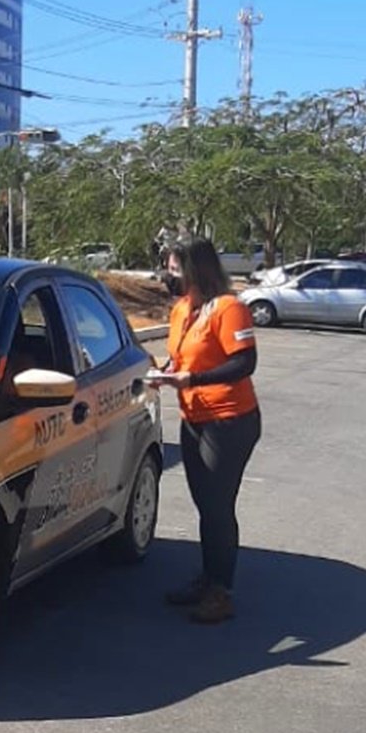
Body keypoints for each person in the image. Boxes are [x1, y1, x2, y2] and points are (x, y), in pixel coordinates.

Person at [150, 237, 262, 624]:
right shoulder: (183, 308)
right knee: (205, 505)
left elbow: (244, 363)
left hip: (230, 421)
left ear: (197, 269)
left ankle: (222, 592)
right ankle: (209, 578)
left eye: (175, 268)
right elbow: (181, 356)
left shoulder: (229, 309)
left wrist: (191, 379)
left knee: (217, 506)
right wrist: (165, 374)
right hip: (194, 418)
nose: (169, 275)